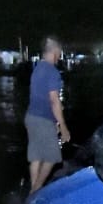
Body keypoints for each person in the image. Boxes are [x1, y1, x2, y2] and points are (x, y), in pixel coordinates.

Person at [25, 36, 71, 193]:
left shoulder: (37, 68)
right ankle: (36, 189)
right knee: (52, 156)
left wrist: (54, 122)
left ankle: (33, 189)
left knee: (36, 155)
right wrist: (63, 127)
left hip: (31, 117)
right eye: (59, 52)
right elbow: (54, 100)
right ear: (56, 52)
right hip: (43, 119)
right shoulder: (53, 72)